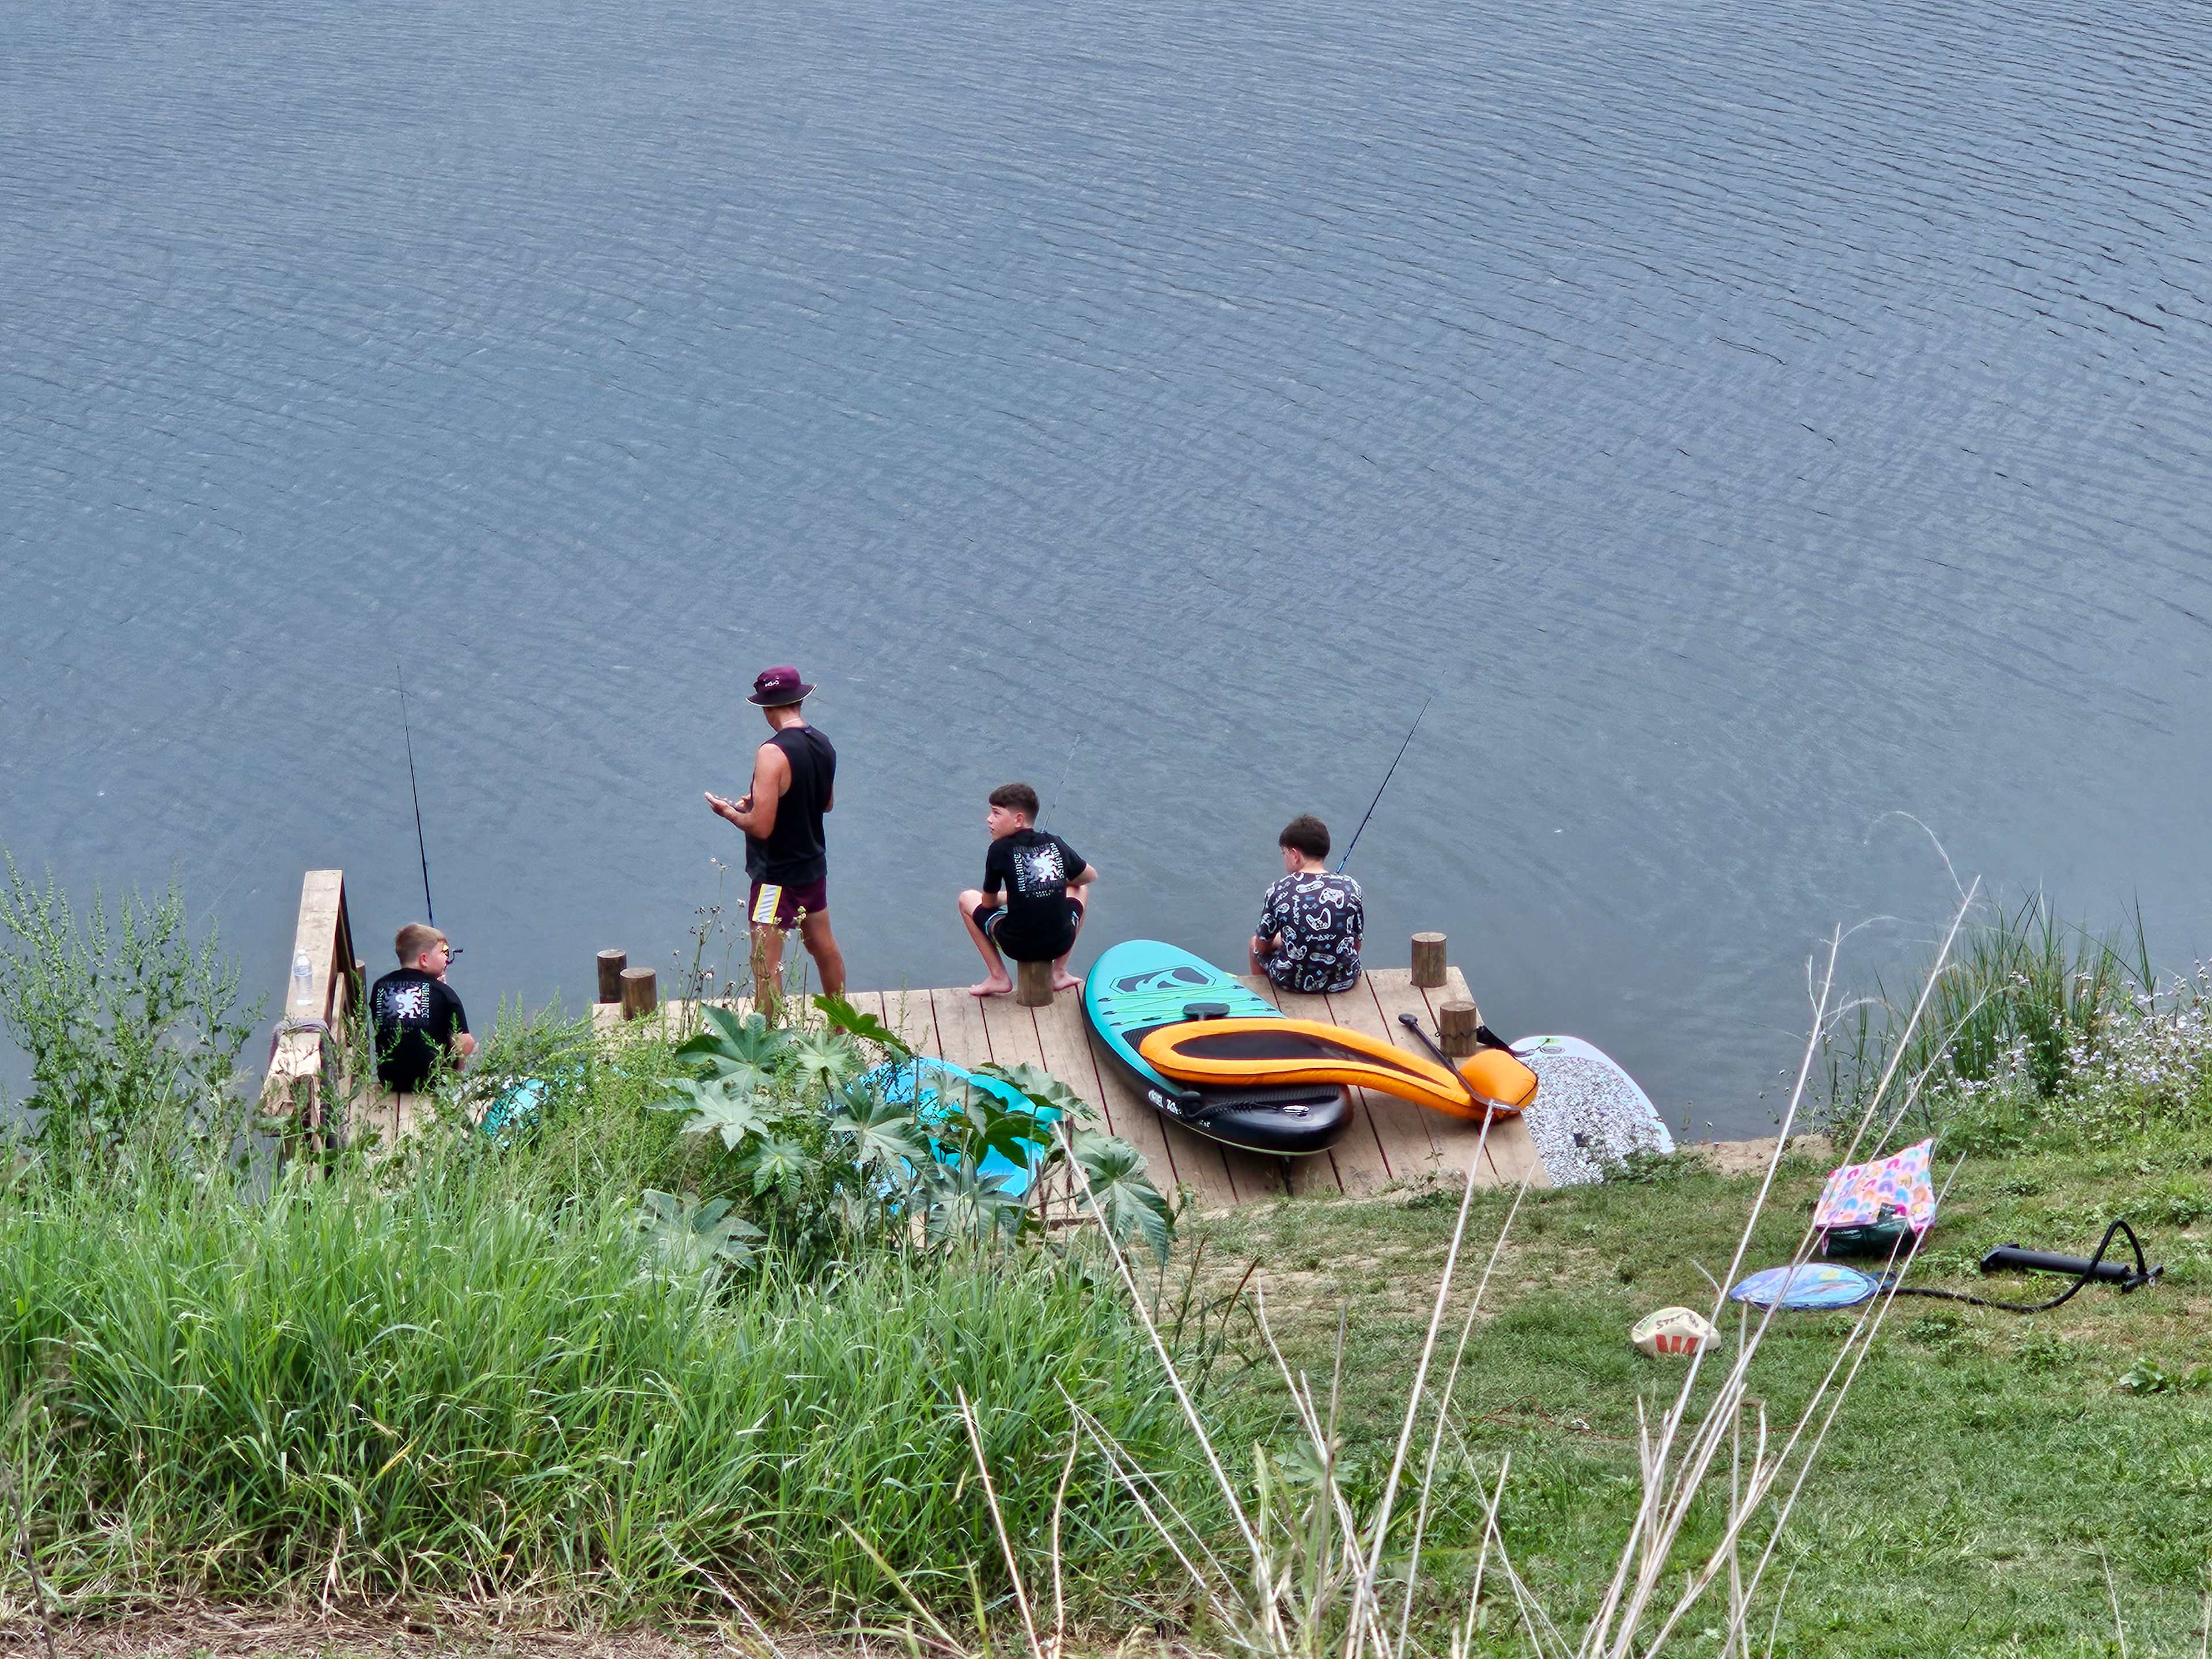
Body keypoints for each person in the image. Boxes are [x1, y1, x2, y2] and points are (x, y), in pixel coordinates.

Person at [704, 664, 846, 1010]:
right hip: (812, 868)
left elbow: (761, 828)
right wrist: (766, 802)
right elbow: (824, 803)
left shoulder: (772, 753)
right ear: (799, 701)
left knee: (765, 962)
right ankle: (842, 1026)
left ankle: (765, 1040)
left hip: (773, 880)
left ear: (767, 708)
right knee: (823, 946)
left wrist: (730, 813)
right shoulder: (823, 744)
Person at [958, 782, 1096, 997]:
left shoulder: (999, 850)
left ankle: (998, 977)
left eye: (996, 813)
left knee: (966, 898)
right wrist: (1055, 881)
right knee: (1081, 890)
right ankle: (1058, 972)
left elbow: (987, 903)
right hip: (1061, 942)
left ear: (1019, 820)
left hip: (1017, 945)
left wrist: (1011, 896)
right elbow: (1089, 876)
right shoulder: (1055, 843)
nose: (989, 819)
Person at [1249, 815, 1364, 994]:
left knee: (1253, 945)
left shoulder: (1279, 889)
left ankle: (1262, 1000)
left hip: (1292, 981)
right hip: (1345, 979)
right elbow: (1356, 945)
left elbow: (1262, 946)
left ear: (1295, 855)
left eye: (1284, 853)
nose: (1284, 858)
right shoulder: (1351, 887)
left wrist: (1285, 937)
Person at [369, 922, 476, 1092]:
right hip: (432, 1084)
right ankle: (451, 1083)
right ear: (424, 959)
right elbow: (465, 1044)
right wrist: (456, 1072)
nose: (447, 959)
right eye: (444, 952)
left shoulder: (379, 986)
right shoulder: (444, 994)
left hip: (390, 1081)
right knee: (465, 1042)